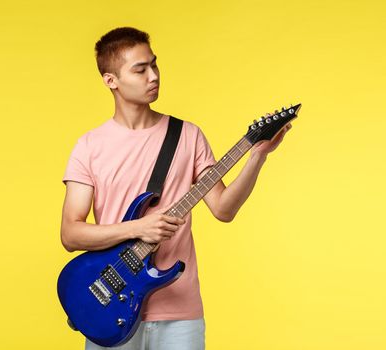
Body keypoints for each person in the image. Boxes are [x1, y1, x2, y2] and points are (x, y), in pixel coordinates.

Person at [60, 27, 292, 350]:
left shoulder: (187, 135)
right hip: (108, 303)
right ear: (110, 80)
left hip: (179, 312)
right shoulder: (89, 147)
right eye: (140, 70)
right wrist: (140, 227)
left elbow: (224, 209)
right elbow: (71, 234)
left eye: (154, 65)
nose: (153, 75)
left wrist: (257, 156)